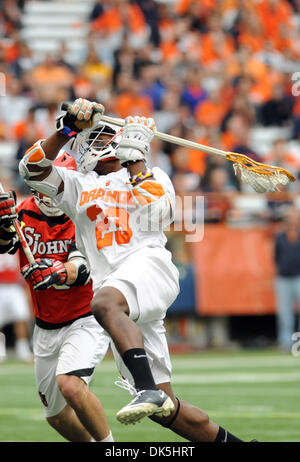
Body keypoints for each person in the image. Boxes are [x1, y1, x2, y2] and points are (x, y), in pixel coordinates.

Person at [18, 97, 255, 442]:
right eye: (95, 137)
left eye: (106, 136)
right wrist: (66, 128)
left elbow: (160, 213)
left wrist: (137, 160)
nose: (103, 143)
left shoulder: (151, 174)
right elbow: (31, 169)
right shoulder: (77, 184)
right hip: (120, 296)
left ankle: (146, 388)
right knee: (166, 411)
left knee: (102, 303)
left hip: (148, 269)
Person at [0, 152, 113, 442]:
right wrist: (2, 228)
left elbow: (83, 267)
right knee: (57, 417)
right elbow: (5, 246)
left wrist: (58, 271)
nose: (49, 194)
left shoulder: (85, 214)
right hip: (45, 325)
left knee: (72, 386)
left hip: (84, 317)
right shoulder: (22, 213)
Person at [274, 207, 300, 351]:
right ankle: (285, 342)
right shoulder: (280, 236)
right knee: (285, 313)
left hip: (299, 276)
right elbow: (276, 257)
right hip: (283, 278)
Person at [0, 251, 33, 363]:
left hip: (15, 285)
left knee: (21, 317)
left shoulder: (14, 240)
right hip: (1, 284)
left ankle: (23, 350)